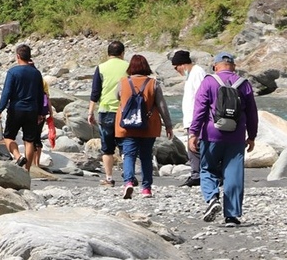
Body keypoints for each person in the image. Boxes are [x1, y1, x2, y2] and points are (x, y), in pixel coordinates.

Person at [189, 52, 258, 227]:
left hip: (211, 134)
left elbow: (200, 110)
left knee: (208, 168)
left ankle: (212, 198)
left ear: (216, 66)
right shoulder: (244, 84)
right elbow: (252, 113)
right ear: (233, 66)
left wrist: (193, 133)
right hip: (236, 135)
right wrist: (252, 136)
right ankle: (232, 216)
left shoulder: (209, 81)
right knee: (234, 174)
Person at [114, 54, 173, 199]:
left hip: (127, 125)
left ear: (131, 67)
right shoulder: (153, 83)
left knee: (129, 155)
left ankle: (128, 182)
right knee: (146, 156)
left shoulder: (123, 82)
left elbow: (117, 97)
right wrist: (168, 125)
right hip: (148, 126)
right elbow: (162, 106)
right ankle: (146, 189)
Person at [0, 44, 45, 171]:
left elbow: (7, 92)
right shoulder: (36, 73)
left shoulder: (13, 72)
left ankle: (17, 156)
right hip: (32, 110)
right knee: (29, 141)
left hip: (16, 109)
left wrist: (0, 109)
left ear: (18, 56)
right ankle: (27, 170)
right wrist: (41, 112)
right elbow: (40, 94)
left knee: (8, 137)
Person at [87, 40, 129, 187]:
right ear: (122, 53)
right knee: (125, 145)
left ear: (108, 53)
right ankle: (128, 175)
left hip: (106, 111)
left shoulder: (101, 67)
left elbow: (95, 92)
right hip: (125, 111)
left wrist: (90, 112)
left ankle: (109, 178)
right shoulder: (128, 67)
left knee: (107, 147)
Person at [172, 49, 206, 187]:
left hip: (196, 118)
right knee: (193, 148)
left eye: (176, 68)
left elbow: (202, 96)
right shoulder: (191, 74)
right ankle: (197, 174)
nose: (176, 71)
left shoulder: (197, 73)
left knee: (196, 147)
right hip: (191, 119)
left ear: (182, 64)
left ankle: (199, 175)